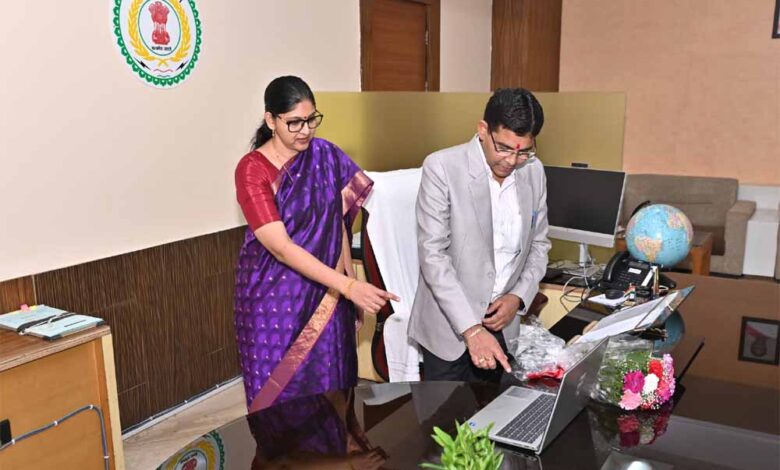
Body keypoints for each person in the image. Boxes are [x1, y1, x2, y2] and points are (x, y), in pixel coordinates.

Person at [234, 76, 398, 412]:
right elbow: (279, 247)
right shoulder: (252, 170)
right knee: (279, 397)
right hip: (273, 301)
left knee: (332, 386)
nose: (306, 130)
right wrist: (348, 286)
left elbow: (338, 222)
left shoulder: (325, 155)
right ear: (270, 120)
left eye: (311, 120)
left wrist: (345, 285)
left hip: (328, 293)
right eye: (294, 122)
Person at [408, 88, 551, 382]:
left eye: (523, 151)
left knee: (497, 409)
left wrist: (518, 297)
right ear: (483, 130)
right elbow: (433, 256)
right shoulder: (443, 167)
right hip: (449, 330)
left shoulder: (533, 171)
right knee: (446, 412)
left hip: (502, 324)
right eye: (504, 148)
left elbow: (539, 245)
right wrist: (472, 329)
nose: (512, 160)